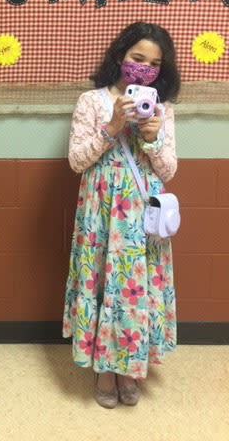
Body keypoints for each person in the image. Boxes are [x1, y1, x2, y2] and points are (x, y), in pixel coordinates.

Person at [62, 21, 180, 408]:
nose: (144, 69)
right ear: (120, 56)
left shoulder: (162, 109)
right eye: (137, 58)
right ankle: (104, 369)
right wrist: (112, 126)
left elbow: (168, 170)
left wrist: (152, 137)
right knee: (103, 286)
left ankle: (130, 367)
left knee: (134, 291)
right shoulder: (91, 101)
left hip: (142, 218)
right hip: (100, 216)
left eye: (154, 64)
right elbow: (77, 161)